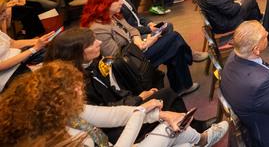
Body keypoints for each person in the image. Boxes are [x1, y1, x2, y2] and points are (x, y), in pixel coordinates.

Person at [0, 60, 228, 147]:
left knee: (179, 139)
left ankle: (200, 141)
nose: (81, 90)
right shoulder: (58, 140)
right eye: (74, 89)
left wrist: (157, 114)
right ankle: (202, 140)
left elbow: (113, 115)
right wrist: (142, 113)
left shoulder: (66, 111)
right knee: (170, 130)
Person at [81, 0, 202, 96]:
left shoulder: (112, 15)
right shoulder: (98, 28)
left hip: (136, 51)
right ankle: (186, 67)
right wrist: (143, 45)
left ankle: (182, 85)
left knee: (174, 48)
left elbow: (132, 29)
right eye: (117, 0)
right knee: (174, 38)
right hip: (130, 64)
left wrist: (138, 41)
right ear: (105, 3)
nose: (122, 2)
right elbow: (116, 56)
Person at [0, 0, 55, 92]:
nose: (6, 14)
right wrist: (34, 49)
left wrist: (38, 41)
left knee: (52, 52)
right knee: (45, 79)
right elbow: (1, 66)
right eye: (2, 12)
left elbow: (13, 43)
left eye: (4, 11)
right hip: (8, 75)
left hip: (19, 60)